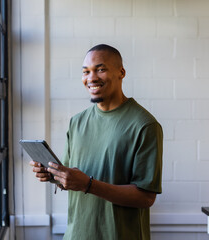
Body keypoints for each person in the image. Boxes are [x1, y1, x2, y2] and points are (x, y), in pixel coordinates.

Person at [29, 44, 163, 240]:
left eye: (100, 69)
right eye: (86, 72)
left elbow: (146, 197)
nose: (91, 78)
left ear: (121, 72)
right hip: (76, 235)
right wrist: (53, 175)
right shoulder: (77, 122)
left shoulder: (145, 125)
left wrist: (88, 185)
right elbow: (71, 179)